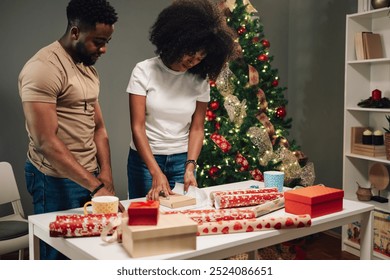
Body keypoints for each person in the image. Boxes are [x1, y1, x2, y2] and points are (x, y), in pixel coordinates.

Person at [18, 0, 118, 259]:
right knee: (58, 255)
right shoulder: (43, 68)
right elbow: (45, 142)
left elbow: (99, 128)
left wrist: (104, 173)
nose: (104, 49)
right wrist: (96, 187)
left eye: (107, 41)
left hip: (90, 176)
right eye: (98, 41)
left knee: (89, 252)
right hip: (53, 180)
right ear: (75, 32)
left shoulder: (88, 68)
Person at [126, 0, 235, 201]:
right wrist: (155, 171)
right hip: (145, 161)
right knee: (146, 220)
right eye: (190, 54)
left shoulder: (199, 79)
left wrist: (190, 166)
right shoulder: (144, 71)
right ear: (177, 41)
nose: (192, 62)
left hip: (181, 161)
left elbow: (197, 128)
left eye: (200, 58)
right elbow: (137, 128)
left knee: (180, 219)